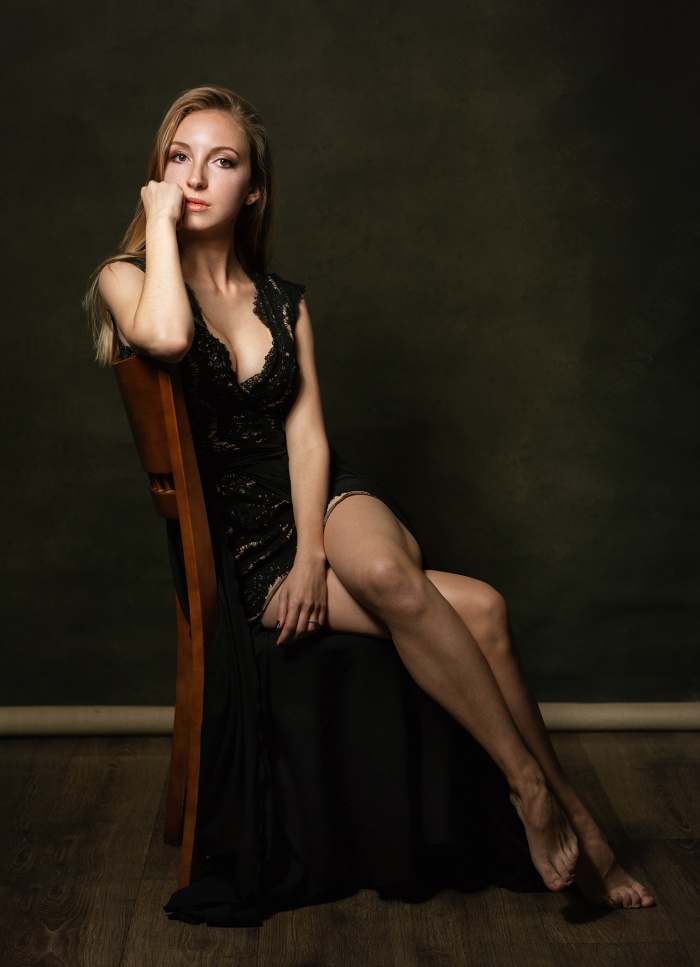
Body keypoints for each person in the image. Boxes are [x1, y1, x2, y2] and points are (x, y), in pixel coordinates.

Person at [86, 85, 654, 921]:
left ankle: (532, 793)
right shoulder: (126, 279)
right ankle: (572, 814)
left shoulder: (284, 300)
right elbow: (168, 337)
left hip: (324, 501)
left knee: (388, 570)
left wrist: (315, 557)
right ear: (157, 175)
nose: (196, 177)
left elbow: (309, 440)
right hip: (248, 543)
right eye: (180, 157)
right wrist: (160, 225)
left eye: (222, 160)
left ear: (255, 189)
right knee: (484, 609)